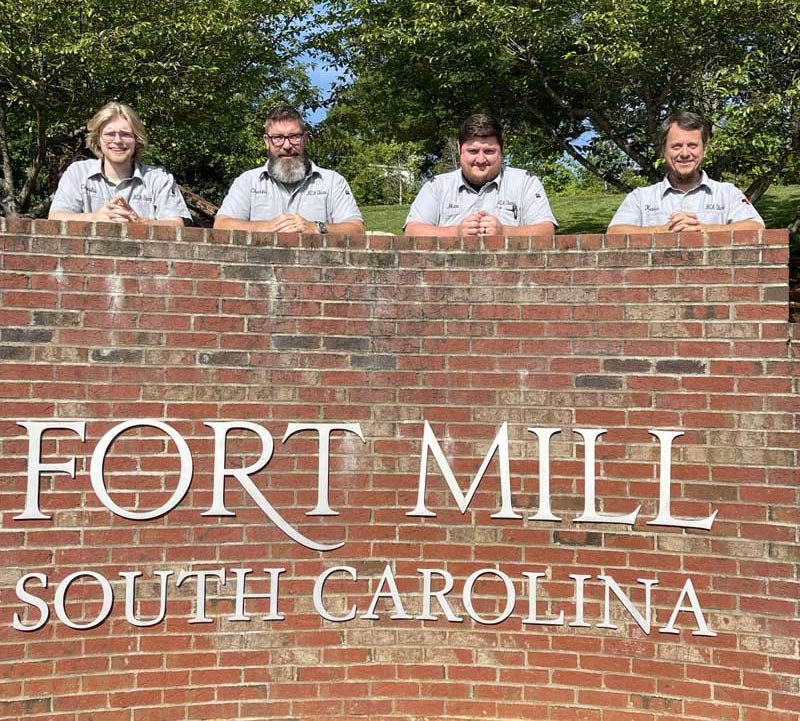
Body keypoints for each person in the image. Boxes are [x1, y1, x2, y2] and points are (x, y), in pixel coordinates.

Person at [214, 105, 365, 235]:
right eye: (278, 137)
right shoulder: (247, 181)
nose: (286, 146)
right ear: (267, 141)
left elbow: (356, 230)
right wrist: (267, 227)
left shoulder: (332, 181)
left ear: (305, 139)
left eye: (294, 136)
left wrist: (315, 228)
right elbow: (221, 225)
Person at [607, 111, 764, 234]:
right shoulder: (640, 197)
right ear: (663, 150)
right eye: (676, 146)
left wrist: (704, 230)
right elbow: (614, 233)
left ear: (704, 149)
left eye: (692, 145)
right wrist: (662, 231)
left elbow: (756, 227)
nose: (684, 153)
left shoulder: (728, 193)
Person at [404, 113, 557, 237]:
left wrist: (504, 232)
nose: (481, 160)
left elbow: (546, 230)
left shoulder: (525, 182)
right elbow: (412, 230)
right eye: (473, 151)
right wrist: (455, 232)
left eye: (489, 151)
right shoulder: (437, 186)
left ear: (502, 149)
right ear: (459, 148)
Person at [49, 101, 190, 226]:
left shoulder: (159, 178)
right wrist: (93, 218)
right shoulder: (78, 173)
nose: (117, 140)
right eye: (110, 134)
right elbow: (55, 217)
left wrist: (139, 222)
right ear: (98, 139)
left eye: (125, 134)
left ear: (137, 139)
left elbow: (176, 224)